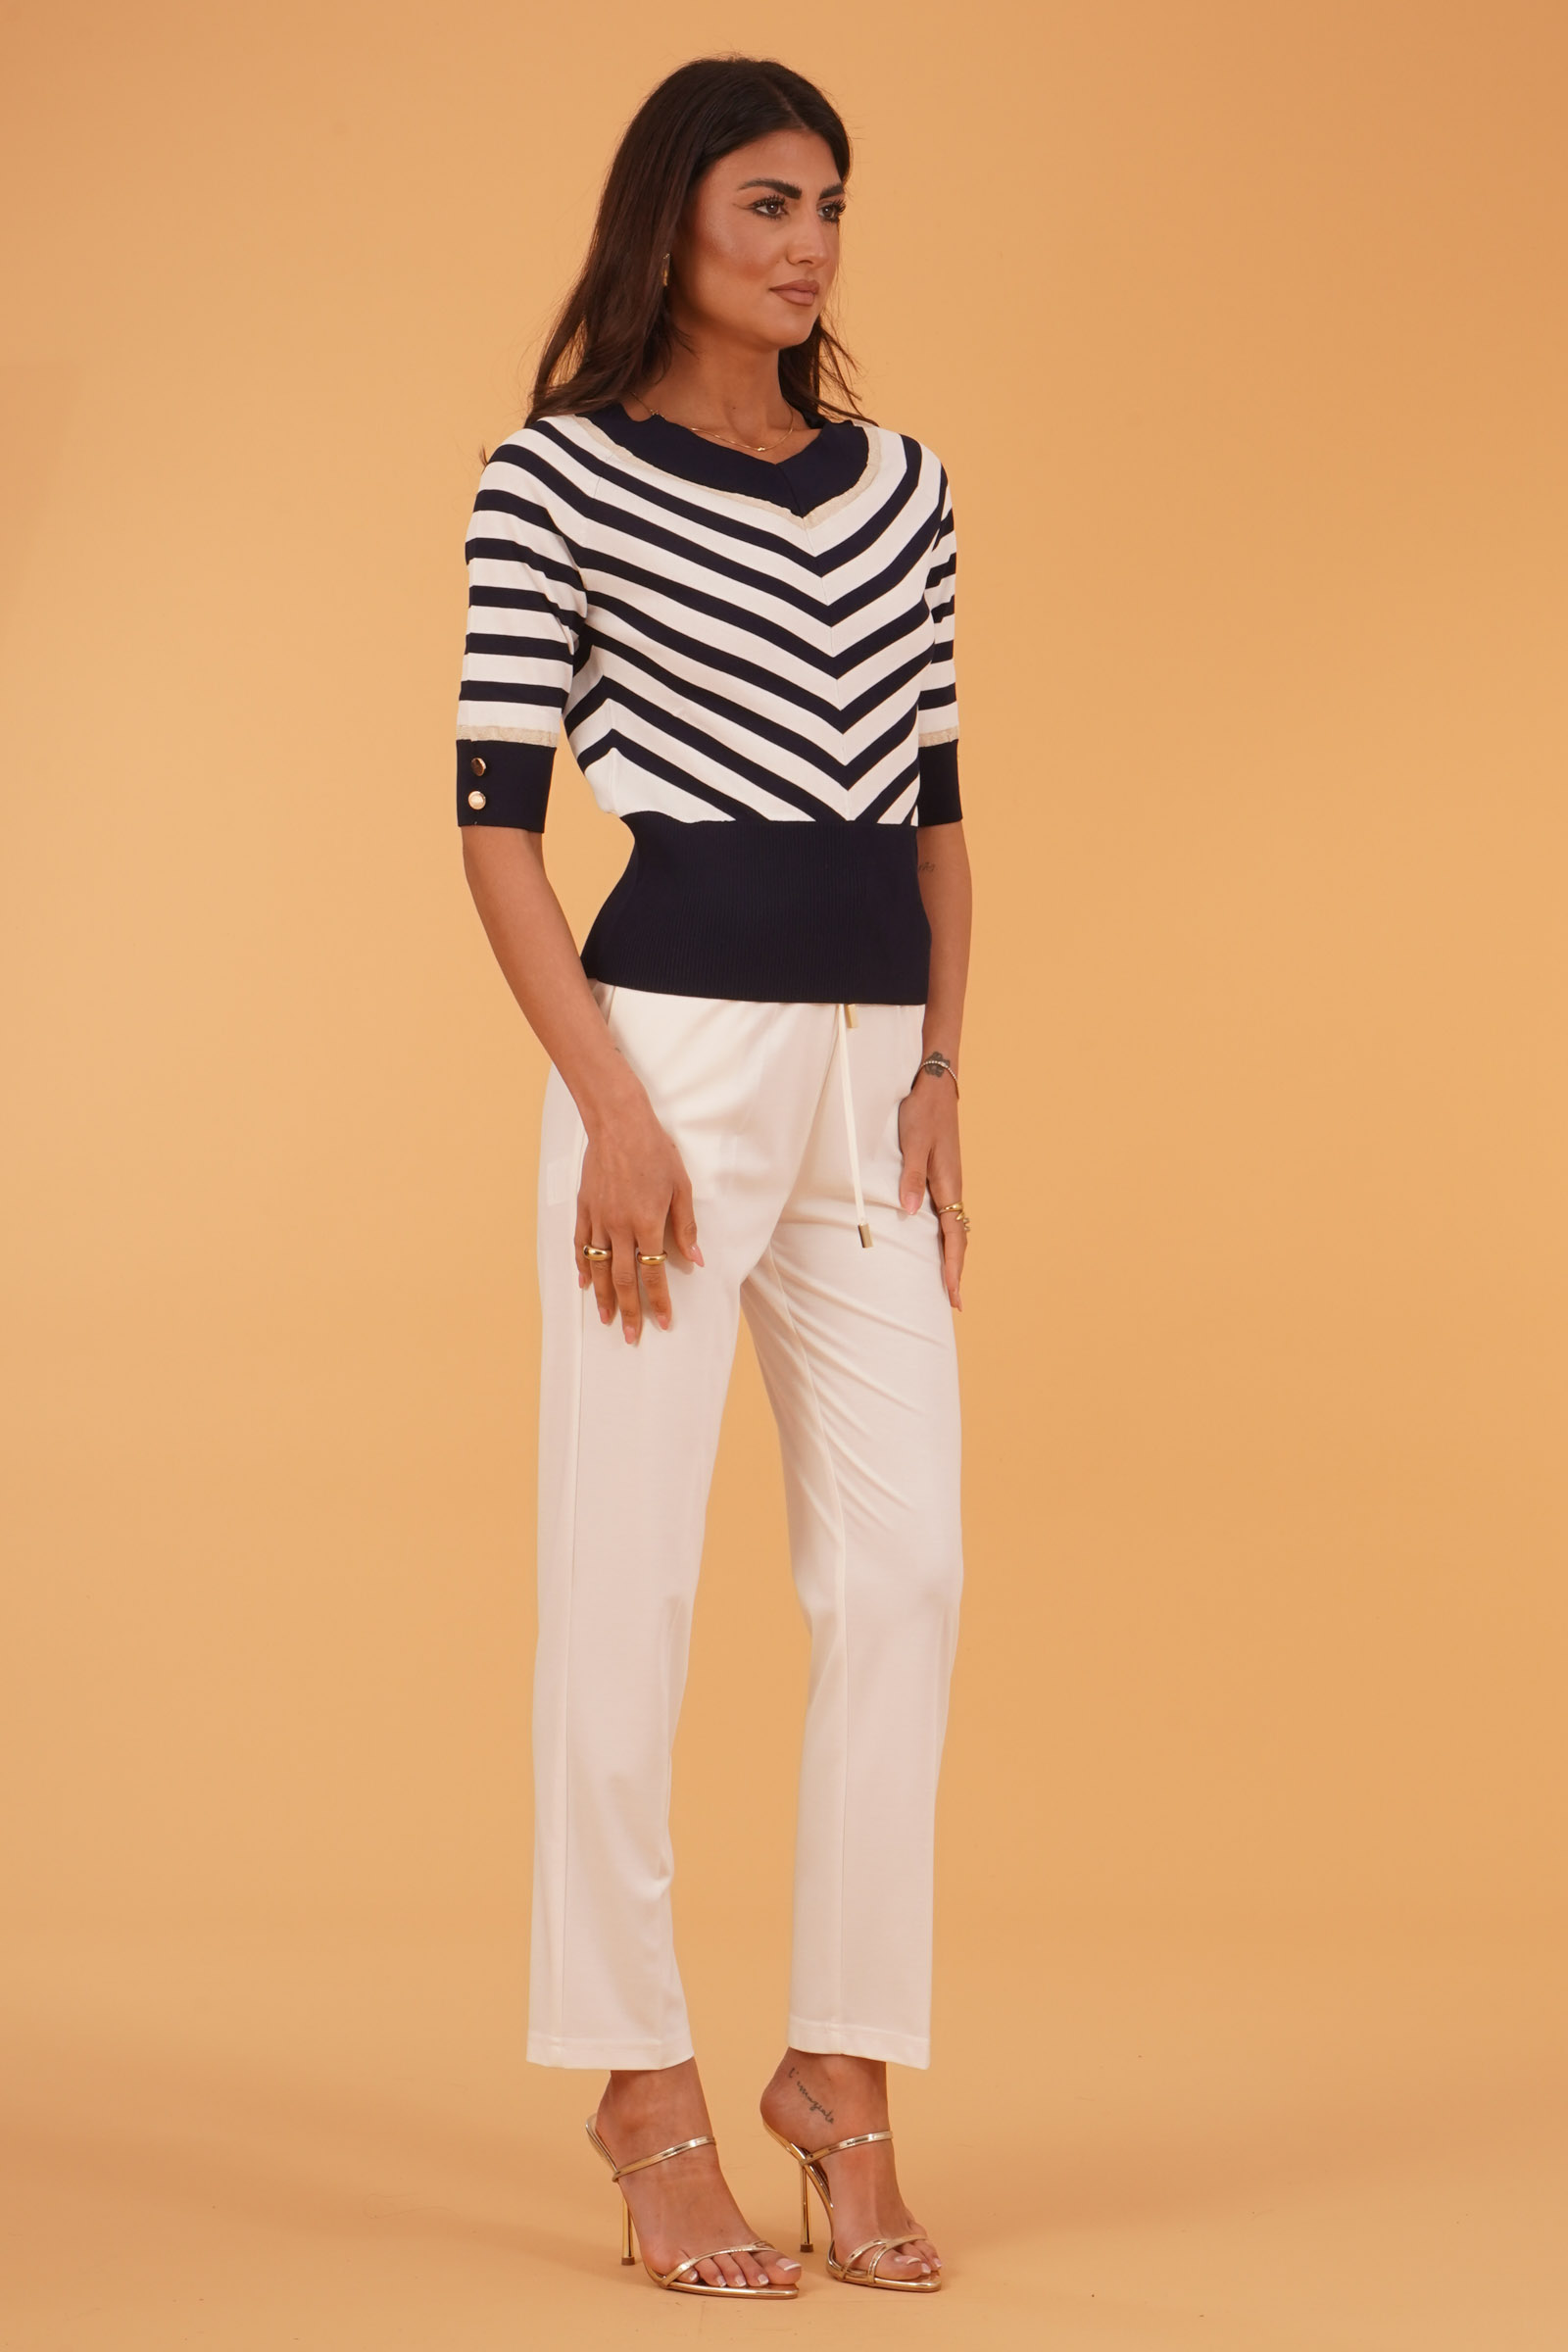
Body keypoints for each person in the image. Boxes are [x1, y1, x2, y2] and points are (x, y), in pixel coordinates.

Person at [457, 55, 970, 2299]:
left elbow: (935, 805)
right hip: (662, 1065)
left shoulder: (904, 487)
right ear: (670, 216)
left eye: (829, 205)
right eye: (767, 201)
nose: (808, 243)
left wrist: (942, 1065)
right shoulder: (552, 479)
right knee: (626, 1587)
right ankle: (638, 2084)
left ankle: (838, 2075)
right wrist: (613, 1109)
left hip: (871, 1086)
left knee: (906, 1576)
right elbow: (494, 827)